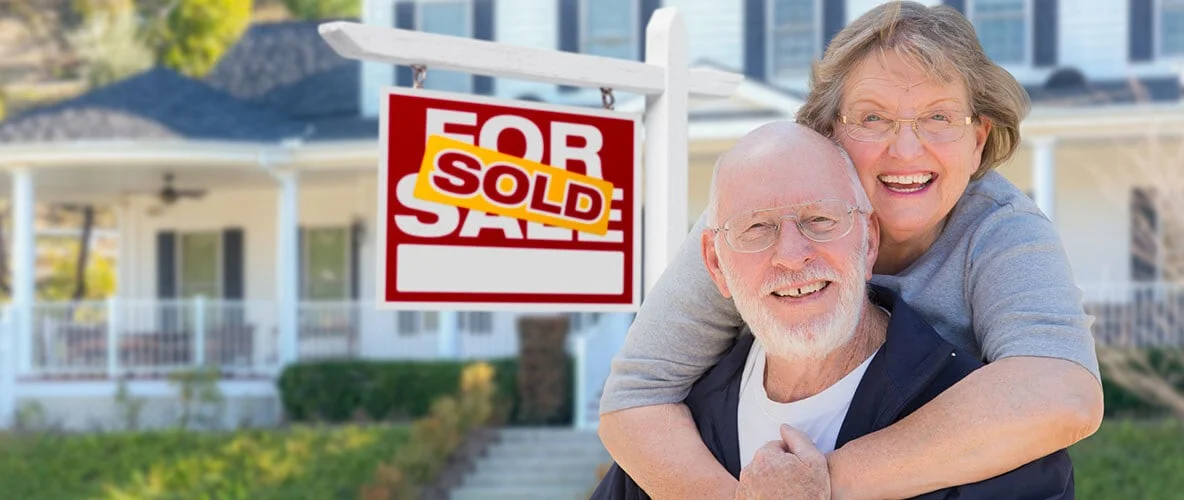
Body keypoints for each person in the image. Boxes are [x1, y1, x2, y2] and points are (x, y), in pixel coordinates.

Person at [597, 3, 1103, 498]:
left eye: (939, 117)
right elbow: (638, 395)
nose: (906, 150)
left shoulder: (1001, 229)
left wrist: (820, 482)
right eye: (873, 118)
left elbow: (1063, 394)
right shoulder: (749, 222)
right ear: (828, 134)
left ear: (978, 140)